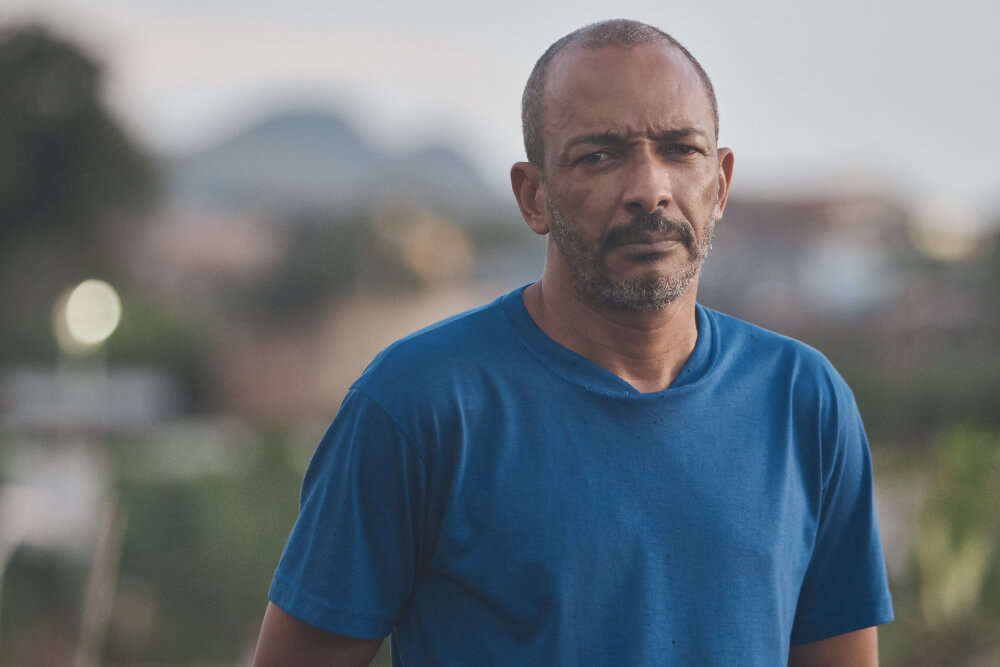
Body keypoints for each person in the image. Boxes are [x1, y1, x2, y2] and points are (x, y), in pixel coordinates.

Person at [251, 19, 893, 666]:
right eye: (600, 155)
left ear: (720, 183)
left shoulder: (802, 400)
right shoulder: (417, 405)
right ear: (534, 198)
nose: (650, 189)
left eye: (680, 149)